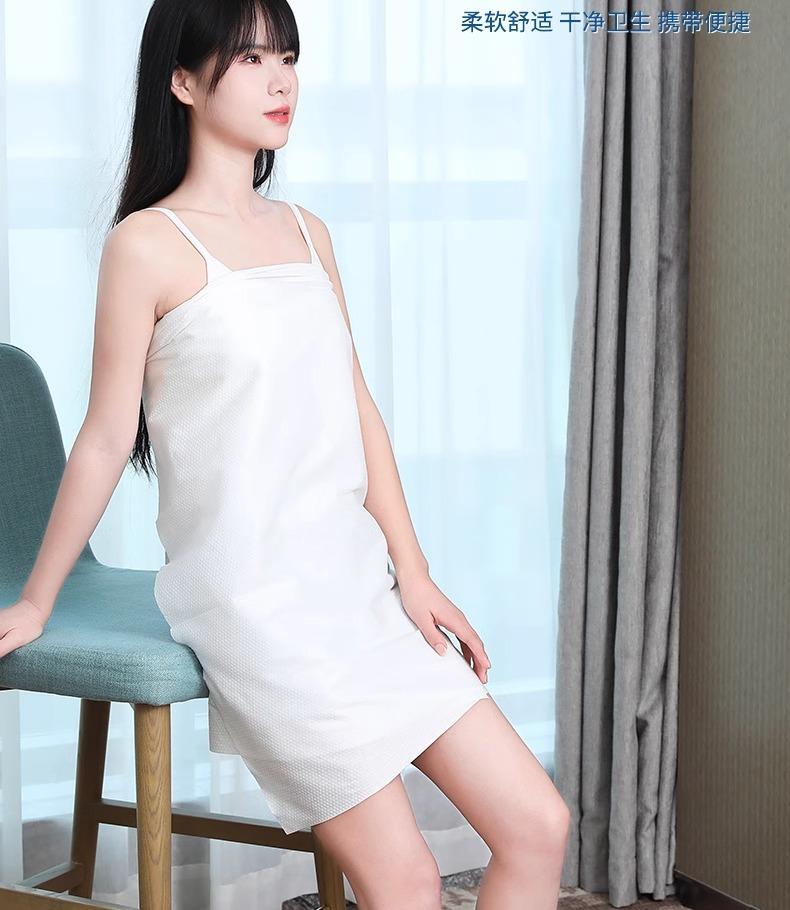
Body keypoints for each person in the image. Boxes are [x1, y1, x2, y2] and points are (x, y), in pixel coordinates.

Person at [0, 1, 570, 907]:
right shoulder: (145, 244)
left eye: (288, 57)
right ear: (183, 82)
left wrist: (416, 576)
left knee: (540, 825)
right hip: (258, 610)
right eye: (251, 57)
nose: (281, 80)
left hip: (356, 587)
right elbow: (106, 437)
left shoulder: (307, 233)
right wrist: (38, 597)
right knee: (408, 882)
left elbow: (359, 411)